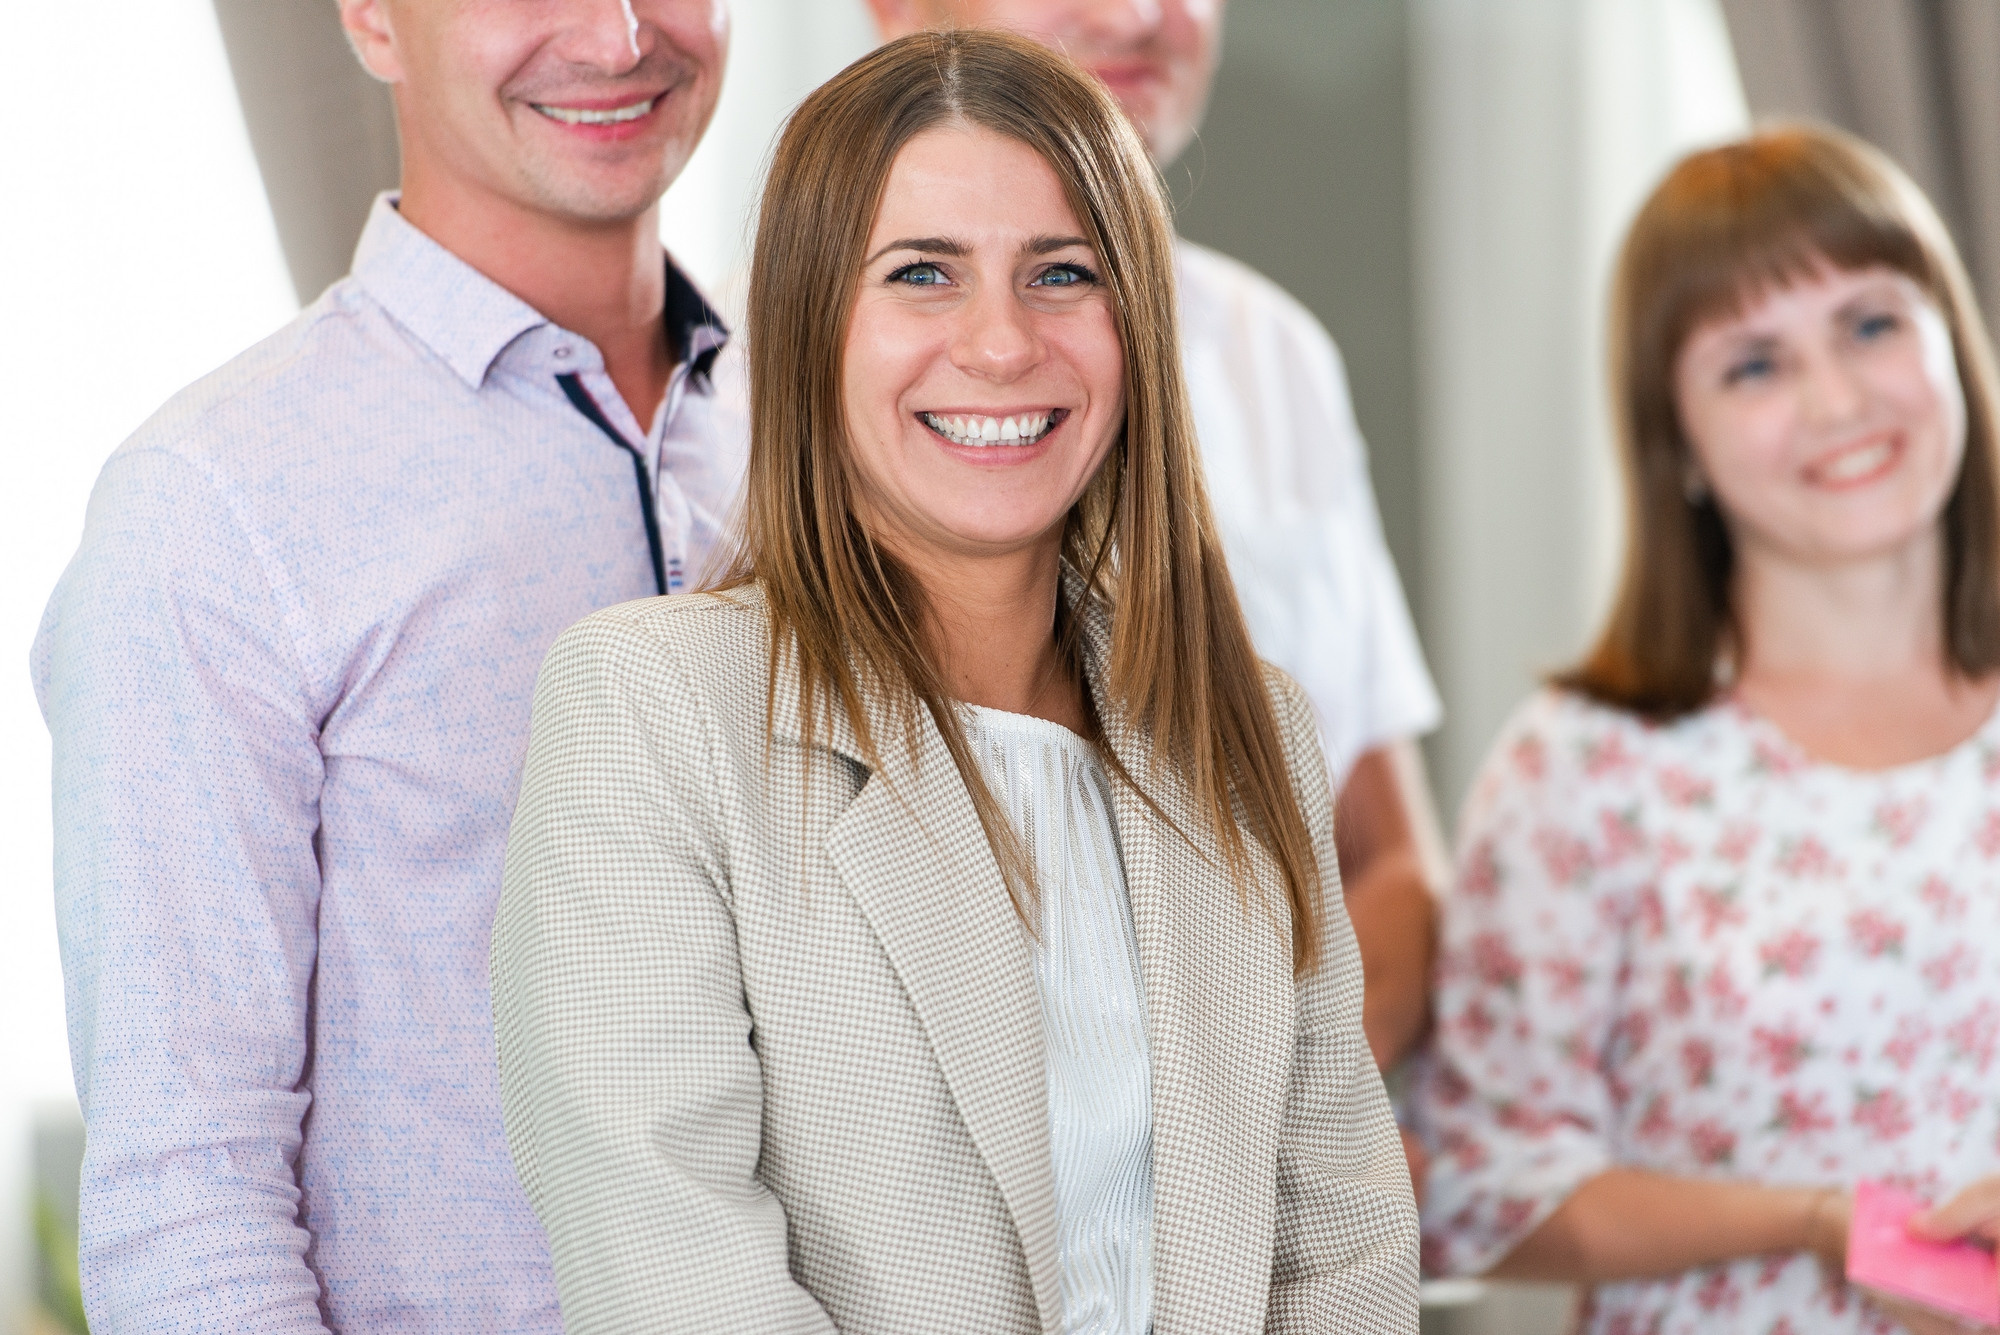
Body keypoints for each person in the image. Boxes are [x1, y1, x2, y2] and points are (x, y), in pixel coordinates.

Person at [492, 29, 1419, 1335]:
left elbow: (1341, 1242)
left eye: (1063, 274)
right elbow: (675, 1263)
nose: (999, 344)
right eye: (923, 273)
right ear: (816, 325)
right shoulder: (651, 708)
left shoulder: (1249, 728)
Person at [31, 2, 741, 1329]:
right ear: (370, 17)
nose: (619, 37)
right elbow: (186, 1195)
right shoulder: (211, 506)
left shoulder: (844, 432)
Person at [1414, 126, 2000, 1334]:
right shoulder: (1582, 769)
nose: (1836, 399)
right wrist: (1814, 1221)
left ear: (1952, 336)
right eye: (1752, 365)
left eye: (1871, 324)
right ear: (1673, 438)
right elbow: (1473, 1193)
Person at [864, 0, 1448, 1072]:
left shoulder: (1275, 354)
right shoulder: (748, 389)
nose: (1134, 15)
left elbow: (1386, 859)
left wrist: (1267, 1160)